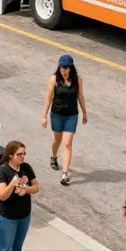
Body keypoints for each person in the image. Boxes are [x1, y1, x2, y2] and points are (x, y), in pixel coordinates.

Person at [41, 54, 87, 186]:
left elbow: (80, 97)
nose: (63, 70)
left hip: (71, 115)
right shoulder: (54, 79)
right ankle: (53, 157)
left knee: (67, 143)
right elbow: (48, 97)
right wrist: (44, 116)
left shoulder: (78, 80)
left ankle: (65, 174)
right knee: (57, 140)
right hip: (57, 114)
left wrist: (84, 112)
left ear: (71, 68)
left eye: (66, 67)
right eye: (61, 67)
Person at [0, 140, 39, 251]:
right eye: (19, 154)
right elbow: (2, 196)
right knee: (5, 247)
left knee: (17, 247)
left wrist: (26, 189)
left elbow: (36, 187)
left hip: (24, 216)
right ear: (10, 155)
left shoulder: (26, 167)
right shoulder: (1, 171)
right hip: (7, 218)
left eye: (24, 154)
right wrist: (12, 185)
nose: (22, 157)